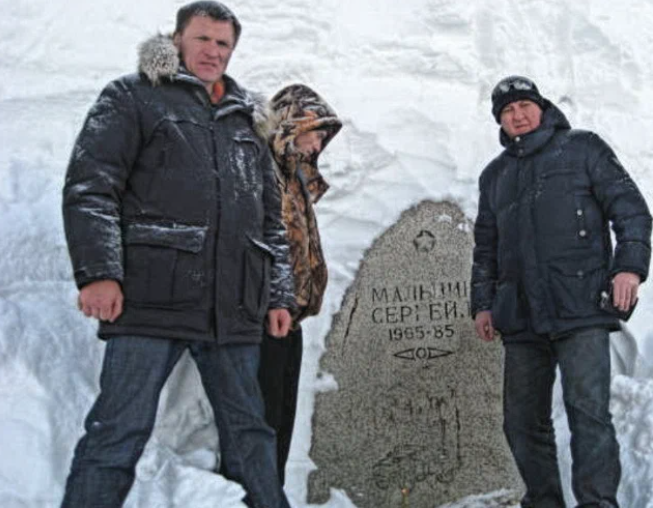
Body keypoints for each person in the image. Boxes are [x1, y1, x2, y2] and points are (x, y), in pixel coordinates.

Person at [60, 2, 295, 507]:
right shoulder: (133, 96)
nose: (213, 51)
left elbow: (269, 221)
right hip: (152, 299)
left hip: (232, 307)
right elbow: (91, 187)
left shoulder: (247, 120)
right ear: (176, 39)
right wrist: (99, 273)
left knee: (251, 435)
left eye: (223, 43)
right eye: (202, 38)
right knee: (118, 431)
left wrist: (278, 295)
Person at [471, 75, 651, 508]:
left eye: (524, 106)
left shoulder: (583, 148)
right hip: (521, 316)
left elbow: (631, 210)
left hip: (581, 307)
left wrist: (628, 268)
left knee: (588, 415)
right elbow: (486, 248)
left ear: (542, 106)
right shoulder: (494, 176)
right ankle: (543, 501)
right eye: (507, 111)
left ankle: (597, 502)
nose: (517, 115)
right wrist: (482, 304)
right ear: (500, 120)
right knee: (521, 422)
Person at [258, 84, 342, 484]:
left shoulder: (296, 180)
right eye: (314, 134)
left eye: (323, 137)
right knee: (263, 420)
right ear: (292, 126)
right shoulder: (263, 172)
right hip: (263, 316)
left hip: (290, 317)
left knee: (281, 420)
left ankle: (270, 490)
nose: (318, 145)